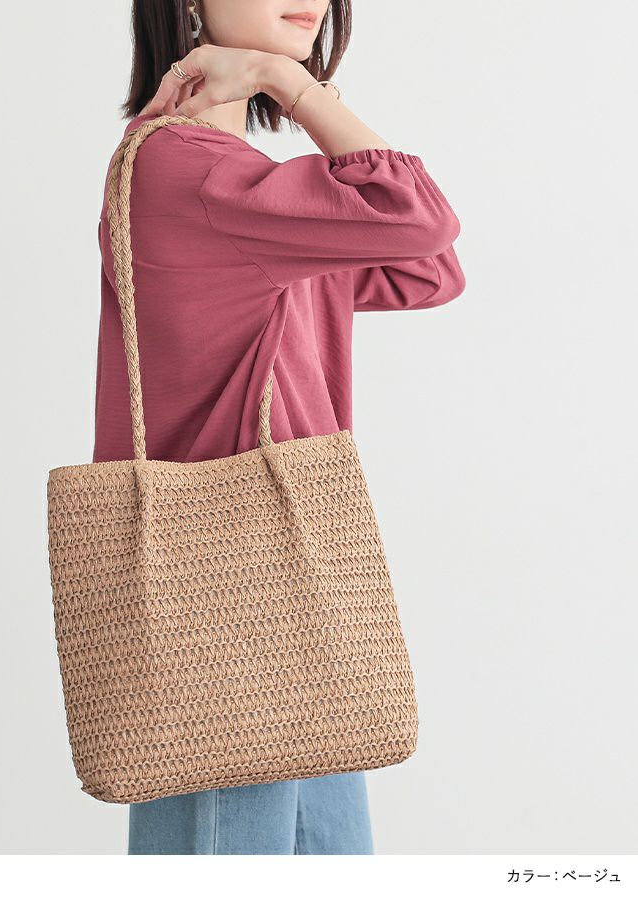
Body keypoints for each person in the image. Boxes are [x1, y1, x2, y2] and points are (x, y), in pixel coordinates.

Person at [93, 0, 466, 854]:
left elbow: (430, 267)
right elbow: (419, 217)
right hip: (226, 593)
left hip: (298, 583)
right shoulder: (186, 171)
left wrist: (286, 91)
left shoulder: (252, 191)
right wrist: (284, 81)